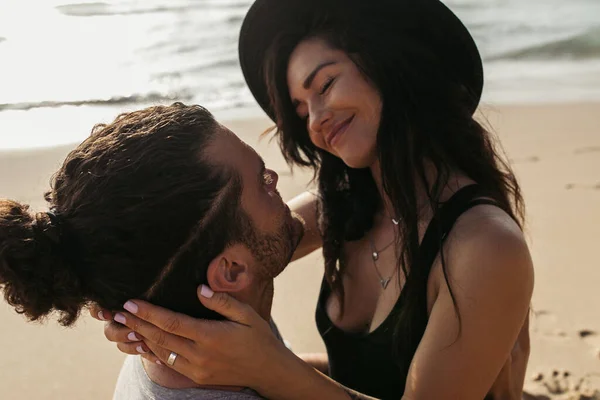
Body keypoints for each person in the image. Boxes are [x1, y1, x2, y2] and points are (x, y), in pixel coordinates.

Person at [98, 0, 534, 399]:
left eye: (324, 84)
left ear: (386, 63)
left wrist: (268, 366)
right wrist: (143, 319)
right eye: (302, 109)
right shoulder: (343, 205)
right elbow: (212, 253)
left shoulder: (484, 246)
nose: (317, 120)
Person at [0, 103, 304, 400]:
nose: (274, 178)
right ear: (232, 271)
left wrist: (276, 368)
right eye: (261, 181)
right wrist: (275, 371)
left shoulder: (191, 340)